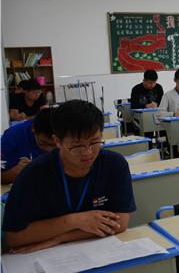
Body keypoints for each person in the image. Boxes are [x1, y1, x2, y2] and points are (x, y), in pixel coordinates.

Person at [2, 100, 136, 254]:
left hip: (99, 252)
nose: (87, 152)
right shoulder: (33, 174)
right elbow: (14, 237)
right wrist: (74, 220)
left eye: (94, 143)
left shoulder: (114, 165)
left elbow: (120, 223)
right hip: (45, 256)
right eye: (77, 146)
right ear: (57, 141)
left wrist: (61, 237)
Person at [1, 108, 56, 183]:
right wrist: (18, 171)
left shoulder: (69, 134)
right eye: (44, 142)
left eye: (56, 144)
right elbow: (2, 176)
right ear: (33, 128)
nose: (49, 150)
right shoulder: (12, 136)